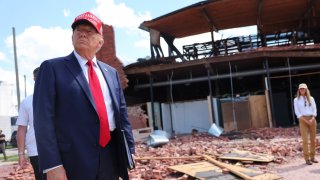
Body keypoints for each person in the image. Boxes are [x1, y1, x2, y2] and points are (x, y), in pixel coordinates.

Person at [33, 11, 135, 180]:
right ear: (72, 36)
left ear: (100, 41)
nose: (82, 33)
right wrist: (52, 165)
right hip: (72, 160)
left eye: (89, 31)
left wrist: (129, 150)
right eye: (78, 30)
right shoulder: (52, 68)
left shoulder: (111, 73)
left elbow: (122, 115)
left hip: (110, 157)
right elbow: (43, 120)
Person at [16, 67, 45, 180]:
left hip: (59, 148)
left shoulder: (60, 97)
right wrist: (21, 154)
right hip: (36, 150)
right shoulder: (27, 101)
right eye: (38, 77)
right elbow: (21, 129)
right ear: (34, 79)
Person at [294, 83, 318, 165]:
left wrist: (312, 118)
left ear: (306, 89)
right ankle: (307, 158)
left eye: (303, 89)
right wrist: (306, 120)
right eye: (300, 89)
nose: (302, 90)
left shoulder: (311, 98)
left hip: (312, 119)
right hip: (303, 120)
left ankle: (312, 157)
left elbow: (315, 110)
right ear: (299, 90)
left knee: (313, 140)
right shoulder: (296, 100)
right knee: (305, 140)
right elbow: (297, 112)